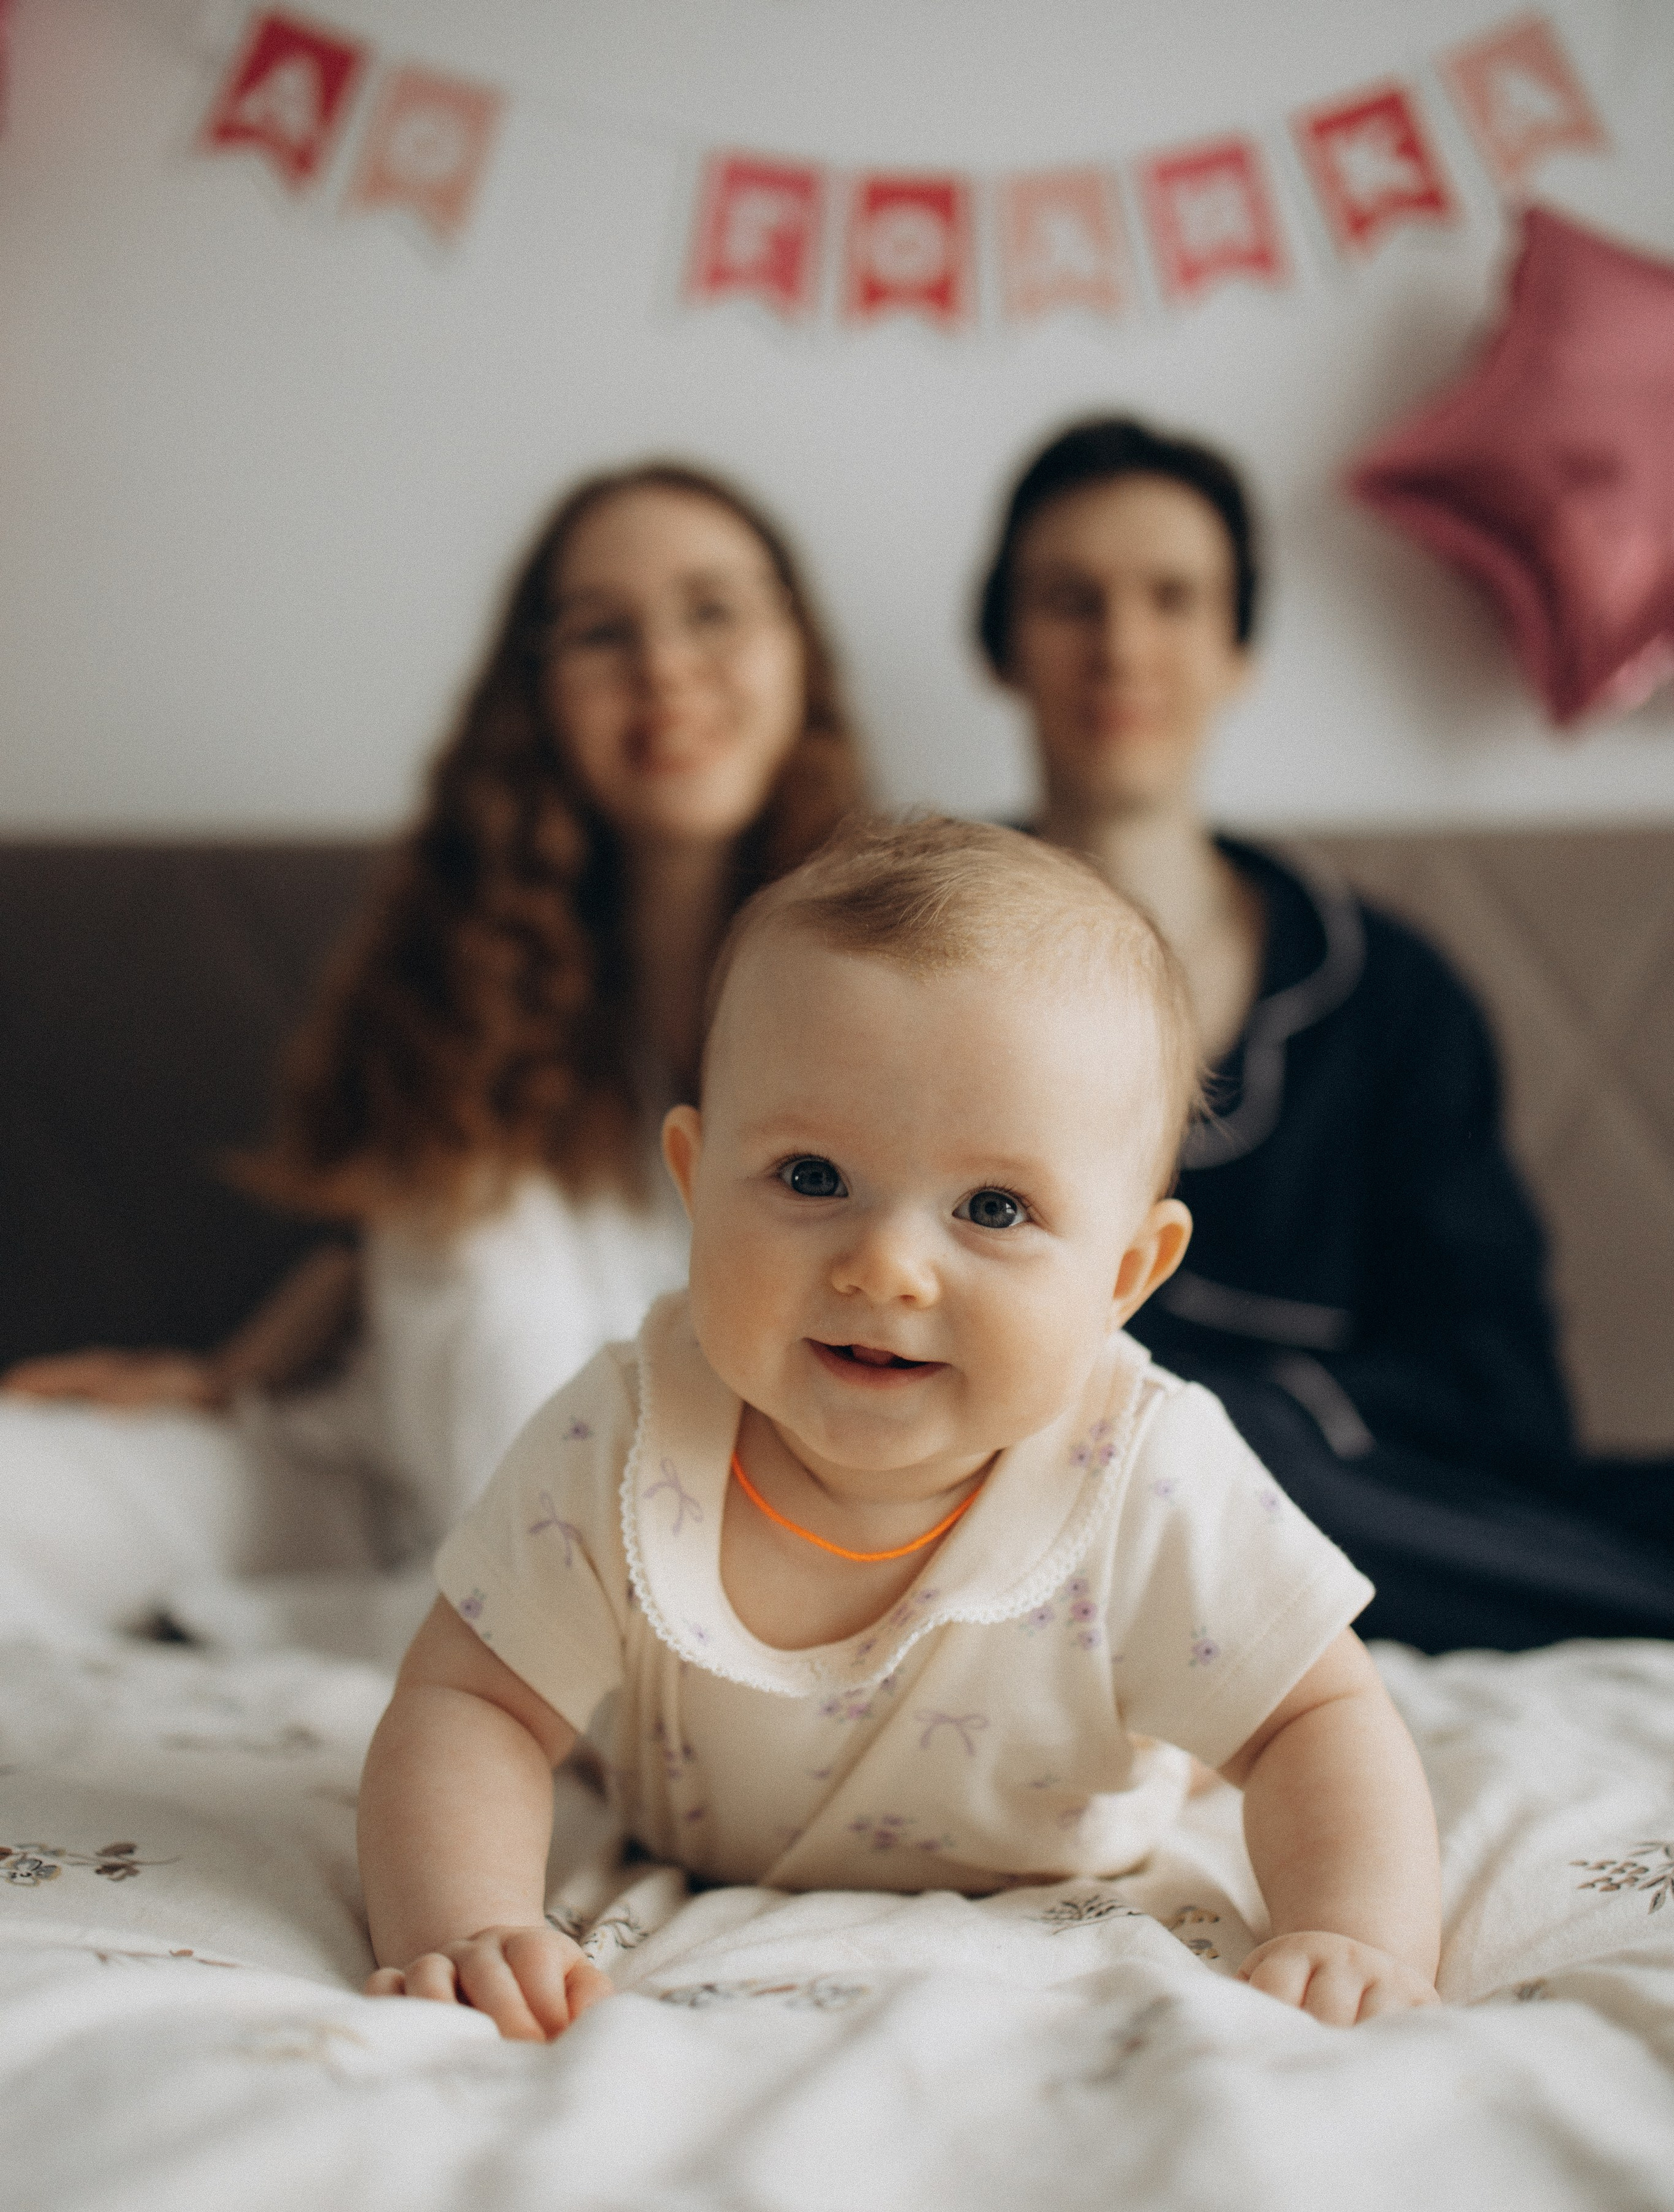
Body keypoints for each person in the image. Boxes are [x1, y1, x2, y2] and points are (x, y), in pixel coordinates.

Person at [357, 819, 1441, 2041]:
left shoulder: (1143, 1469)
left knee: (1236, 1689)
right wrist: (464, 1922)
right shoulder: (627, 1432)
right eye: (812, 1177)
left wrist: (1353, 1933)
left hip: (1072, 1821)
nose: (886, 1267)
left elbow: (1321, 1722)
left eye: (994, 1207)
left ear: (1128, 1273)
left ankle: (1174, 1729)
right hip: (694, 1832)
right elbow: (473, 1704)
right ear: (694, 1179)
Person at [0, 462, 865, 1658]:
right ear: (538, 693)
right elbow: (409, 1240)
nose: (663, 666)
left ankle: (477, 1631)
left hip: (706, 1522)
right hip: (380, 1469)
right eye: (601, 632)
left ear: (797, 651)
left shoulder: (892, 974)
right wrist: (232, 1372)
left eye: (712, 610)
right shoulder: (466, 960)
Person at [976, 413, 1674, 1654]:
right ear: (1002, 649)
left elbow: (1506, 1398)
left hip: (1363, 1514)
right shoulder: (906, 974)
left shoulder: (1393, 994)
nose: (1123, 644)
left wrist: (1246, 1423)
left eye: (1174, 598)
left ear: (1238, 648)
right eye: (1070, 600)